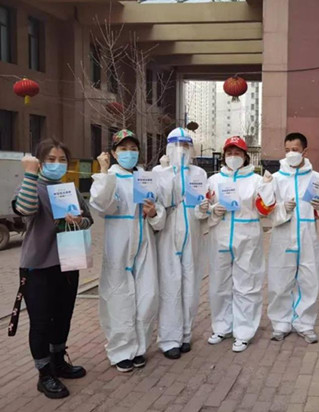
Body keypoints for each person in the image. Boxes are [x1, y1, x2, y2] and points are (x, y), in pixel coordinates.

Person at [11, 139, 92, 399]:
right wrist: (30, 174)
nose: (57, 164)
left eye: (62, 160)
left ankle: (58, 361)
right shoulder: (32, 186)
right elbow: (24, 209)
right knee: (41, 322)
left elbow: (88, 219)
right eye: (51, 159)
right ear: (39, 162)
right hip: (38, 266)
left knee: (63, 316)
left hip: (68, 262)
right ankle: (44, 373)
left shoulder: (69, 189)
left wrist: (79, 220)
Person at [90, 130, 166, 372]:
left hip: (145, 243)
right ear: (113, 153)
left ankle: (139, 347)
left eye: (133, 149)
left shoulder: (145, 178)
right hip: (119, 243)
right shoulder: (109, 177)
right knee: (118, 297)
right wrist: (103, 172)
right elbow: (102, 206)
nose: (129, 153)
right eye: (123, 149)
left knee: (147, 295)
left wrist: (153, 213)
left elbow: (159, 215)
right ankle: (121, 350)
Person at [199, 136, 275, 352]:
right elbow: (202, 208)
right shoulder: (214, 180)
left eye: (238, 153)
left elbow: (265, 209)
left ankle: (244, 332)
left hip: (247, 236)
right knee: (219, 285)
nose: (233, 157)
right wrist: (212, 210)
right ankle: (221, 327)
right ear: (224, 156)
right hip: (220, 236)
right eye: (230, 153)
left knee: (247, 285)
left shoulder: (256, 180)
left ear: (245, 156)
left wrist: (267, 188)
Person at [154, 127, 208, 359]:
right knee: (170, 284)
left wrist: (204, 209)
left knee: (191, 283)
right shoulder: (159, 173)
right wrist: (168, 175)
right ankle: (169, 339)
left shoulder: (199, 173)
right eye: (178, 145)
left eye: (186, 145)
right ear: (168, 147)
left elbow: (201, 206)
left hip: (192, 234)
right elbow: (156, 205)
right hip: (168, 233)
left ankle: (185, 334)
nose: (182, 150)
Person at [267, 132, 319, 344]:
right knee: (279, 280)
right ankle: (280, 323)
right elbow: (268, 211)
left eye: (295, 149)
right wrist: (283, 208)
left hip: (307, 235)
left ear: (304, 151)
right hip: (283, 236)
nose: (291, 153)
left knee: (309, 280)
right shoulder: (276, 179)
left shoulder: (317, 179)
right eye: (287, 150)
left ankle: (305, 324)